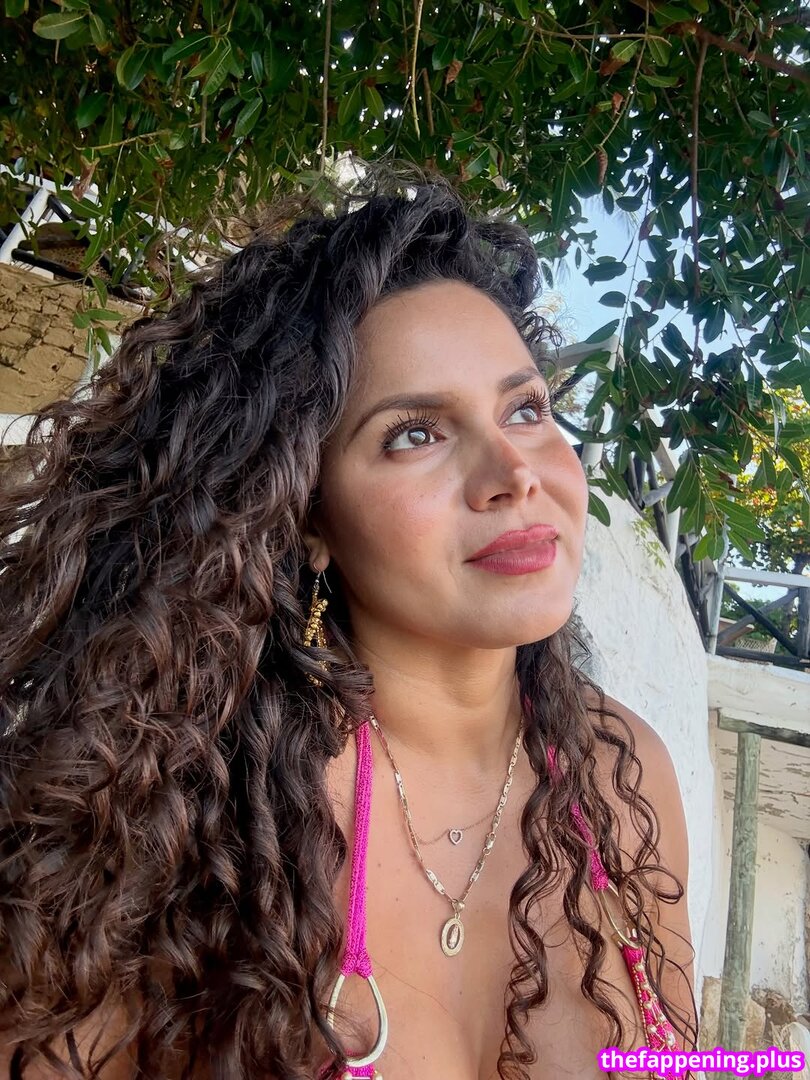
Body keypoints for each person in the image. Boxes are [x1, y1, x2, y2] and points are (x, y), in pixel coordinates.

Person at [0, 159, 698, 1079]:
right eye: (416, 433)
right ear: (310, 517)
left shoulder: (621, 775)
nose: (514, 474)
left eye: (524, 409)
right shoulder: (176, 813)